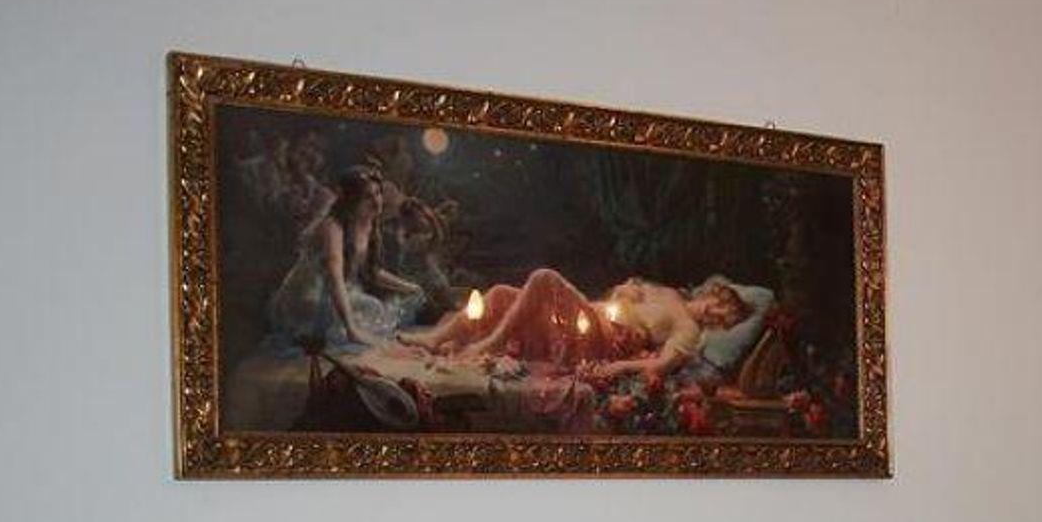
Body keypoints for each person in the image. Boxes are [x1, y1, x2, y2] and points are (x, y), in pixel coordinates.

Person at [401, 269, 745, 373]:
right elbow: (622, 293)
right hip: (591, 315)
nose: (714, 314)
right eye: (718, 305)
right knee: (502, 293)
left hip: (603, 339)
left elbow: (662, 362)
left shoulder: (688, 330)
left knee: (545, 278)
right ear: (712, 292)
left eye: (722, 320)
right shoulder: (667, 292)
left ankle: (488, 344)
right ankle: (437, 338)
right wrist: (624, 290)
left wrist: (618, 367)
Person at [266, 167, 423, 348]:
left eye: (378, 193)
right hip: (312, 295)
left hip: (339, 290)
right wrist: (351, 329)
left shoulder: (368, 223)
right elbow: (335, 277)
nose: (376, 201)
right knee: (369, 310)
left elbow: (371, 272)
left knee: (379, 307)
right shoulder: (333, 226)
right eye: (367, 197)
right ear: (351, 200)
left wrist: (409, 287)